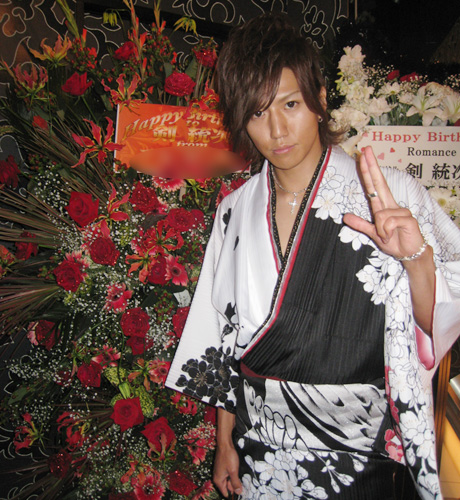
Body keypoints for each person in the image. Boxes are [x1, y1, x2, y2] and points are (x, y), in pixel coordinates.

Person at [166, 12, 460, 500]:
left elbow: (440, 323)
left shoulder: (392, 195)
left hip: (361, 459)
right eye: (257, 113)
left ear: (320, 100)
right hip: (263, 455)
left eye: (291, 104)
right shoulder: (234, 211)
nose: (278, 130)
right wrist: (224, 441)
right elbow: (223, 337)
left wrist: (417, 260)